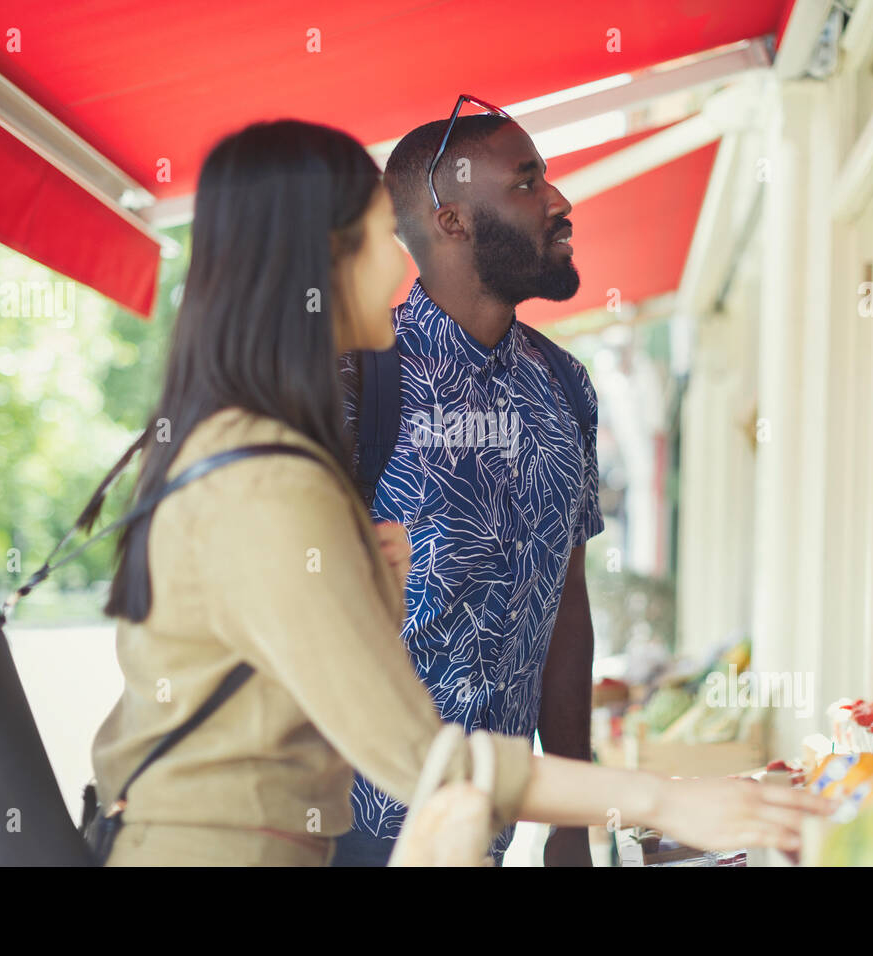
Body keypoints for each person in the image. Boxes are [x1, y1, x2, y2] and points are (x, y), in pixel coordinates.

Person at [88, 118, 832, 866]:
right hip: (327, 831)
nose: (398, 257)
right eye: (383, 234)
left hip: (441, 826)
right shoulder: (276, 466)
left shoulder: (553, 388)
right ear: (321, 258)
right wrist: (661, 799)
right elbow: (414, 754)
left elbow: (295, 630)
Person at [334, 103, 598, 867]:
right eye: (527, 182)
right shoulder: (357, 375)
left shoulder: (566, 385)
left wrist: (572, 816)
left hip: (484, 837)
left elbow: (564, 605)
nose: (559, 201)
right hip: (346, 838)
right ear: (451, 220)